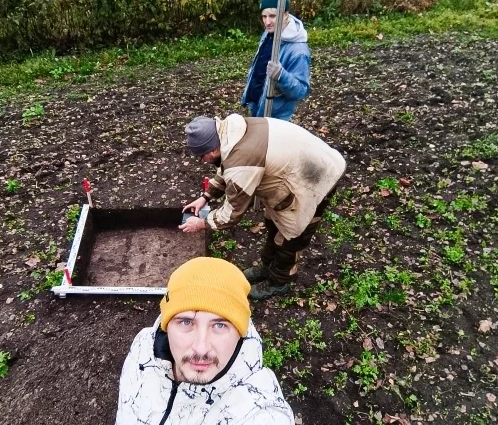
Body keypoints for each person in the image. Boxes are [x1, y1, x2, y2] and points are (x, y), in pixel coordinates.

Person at [179, 114, 346, 300]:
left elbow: (232, 213)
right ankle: (267, 268)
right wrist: (206, 196)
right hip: (298, 165)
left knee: (292, 236)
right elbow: (226, 167)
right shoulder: (229, 134)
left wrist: (201, 224)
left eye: (201, 156)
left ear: (213, 150)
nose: (202, 161)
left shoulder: (242, 161)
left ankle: (279, 282)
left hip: (317, 178)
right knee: (274, 225)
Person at [114, 257, 295, 425]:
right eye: (186, 322)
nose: (201, 349)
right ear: (166, 325)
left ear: (240, 332)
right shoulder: (143, 345)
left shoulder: (260, 412)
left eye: (219, 325)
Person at [241, 0, 310, 121]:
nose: (267, 22)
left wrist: (281, 76)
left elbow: (301, 91)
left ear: (285, 15)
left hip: (275, 116)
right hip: (257, 104)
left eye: (272, 16)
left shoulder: (299, 51)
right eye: (264, 16)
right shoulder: (268, 33)